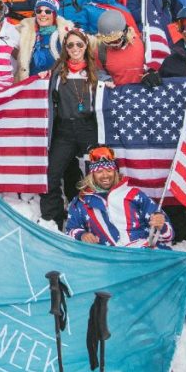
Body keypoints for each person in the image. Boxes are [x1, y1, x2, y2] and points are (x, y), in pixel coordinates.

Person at [40, 28, 110, 229]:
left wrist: (111, 87)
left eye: (79, 44)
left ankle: (93, 218)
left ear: (86, 45)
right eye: (70, 45)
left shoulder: (96, 72)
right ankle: (52, 220)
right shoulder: (57, 72)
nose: (75, 48)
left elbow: (108, 93)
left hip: (87, 128)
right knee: (51, 173)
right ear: (65, 48)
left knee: (95, 174)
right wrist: (42, 78)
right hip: (64, 130)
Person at [67, 146, 173, 248]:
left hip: (141, 255)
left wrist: (161, 226)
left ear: (115, 171)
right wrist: (82, 235)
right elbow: (70, 231)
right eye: (99, 172)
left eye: (109, 170)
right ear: (92, 175)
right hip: (107, 259)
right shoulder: (81, 202)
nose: (105, 175)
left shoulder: (135, 195)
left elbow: (169, 235)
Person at [17, 0, 73, 78]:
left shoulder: (66, 32)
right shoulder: (24, 31)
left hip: (56, 84)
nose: (43, 14)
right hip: (31, 86)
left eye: (48, 11)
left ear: (54, 15)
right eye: (39, 11)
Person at [93, 9, 146, 86]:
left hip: (142, 92)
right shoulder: (100, 51)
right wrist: (106, 80)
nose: (114, 45)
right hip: (118, 93)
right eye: (108, 42)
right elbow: (98, 72)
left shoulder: (141, 41)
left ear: (124, 33)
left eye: (116, 41)